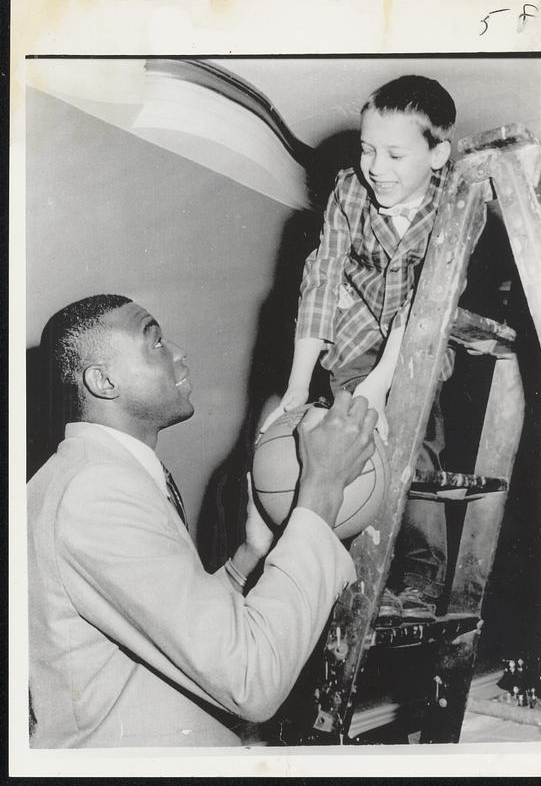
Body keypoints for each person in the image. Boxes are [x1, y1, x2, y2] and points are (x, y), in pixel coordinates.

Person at [28, 294, 377, 748]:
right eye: (154, 342)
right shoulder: (96, 493)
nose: (178, 352)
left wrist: (248, 558)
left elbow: (169, 627)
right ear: (102, 380)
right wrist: (321, 492)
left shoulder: (93, 475)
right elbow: (252, 679)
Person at [264, 75, 457, 620]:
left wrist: (381, 390)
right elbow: (322, 277)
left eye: (396, 154)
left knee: (413, 448)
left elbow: (420, 308)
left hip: (419, 340)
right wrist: (298, 385)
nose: (377, 167)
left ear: (437, 154)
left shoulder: (453, 205)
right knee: (349, 452)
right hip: (354, 333)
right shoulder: (350, 189)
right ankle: (343, 570)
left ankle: (421, 579)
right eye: (369, 149)